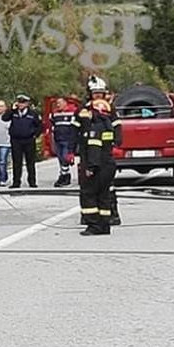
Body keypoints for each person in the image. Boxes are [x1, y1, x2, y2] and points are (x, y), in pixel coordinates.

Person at [75, 75, 122, 224]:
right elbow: (74, 129)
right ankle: (89, 216)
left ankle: (112, 215)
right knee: (87, 185)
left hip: (105, 152)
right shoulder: (83, 110)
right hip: (87, 152)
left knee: (107, 186)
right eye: (95, 93)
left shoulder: (109, 109)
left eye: (100, 93)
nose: (98, 96)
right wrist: (71, 149)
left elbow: (117, 127)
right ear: (90, 94)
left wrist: (117, 144)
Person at [76, 99, 115, 235]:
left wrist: (90, 168)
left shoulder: (94, 128)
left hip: (97, 167)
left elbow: (94, 150)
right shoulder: (107, 126)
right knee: (103, 196)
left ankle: (94, 225)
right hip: (108, 165)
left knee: (88, 195)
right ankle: (104, 225)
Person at [2, 93, 41, 188]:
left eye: (23, 102)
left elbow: (39, 125)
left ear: (27, 103)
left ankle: (32, 181)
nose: (21, 104)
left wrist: (35, 135)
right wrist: (11, 109)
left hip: (29, 140)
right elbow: (4, 118)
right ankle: (16, 182)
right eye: (19, 102)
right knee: (17, 162)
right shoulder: (14, 113)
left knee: (30, 162)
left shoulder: (32, 114)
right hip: (16, 140)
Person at [50, 97, 77, 187]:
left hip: (67, 139)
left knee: (65, 158)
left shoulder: (72, 112)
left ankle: (64, 176)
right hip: (58, 139)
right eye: (57, 103)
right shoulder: (55, 114)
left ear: (65, 103)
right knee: (60, 158)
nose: (58, 105)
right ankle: (65, 175)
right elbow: (52, 124)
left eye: (60, 103)